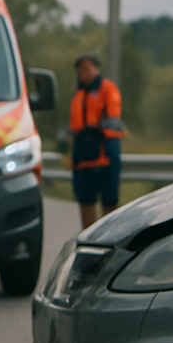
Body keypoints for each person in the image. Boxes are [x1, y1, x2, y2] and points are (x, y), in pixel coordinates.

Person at [67, 53, 124, 230]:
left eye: (87, 68)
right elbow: (74, 125)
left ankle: (109, 237)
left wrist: (95, 127)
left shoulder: (107, 88)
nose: (83, 73)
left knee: (109, 201)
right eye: (80, 70)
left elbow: (113, 119)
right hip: (82, 154)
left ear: (96, 68)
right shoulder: (77, 93)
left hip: (105, 153)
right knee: (85, 200)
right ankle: (88, 237)